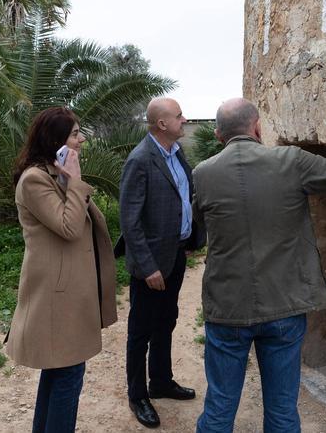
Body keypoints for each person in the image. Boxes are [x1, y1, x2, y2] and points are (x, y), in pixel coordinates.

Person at [193, 99, 326, 433]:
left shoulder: (203, 173)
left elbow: (200, 223)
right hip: (284, 306)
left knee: (219, 407)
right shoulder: (291, 160)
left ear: (218, 135)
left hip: (227, 307)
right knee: (283, 410)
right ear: (257, 127)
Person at [4, 107, 117, 433]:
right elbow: (68, 227)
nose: (81, 140)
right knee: (67, 376)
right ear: (56, 140)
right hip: (57, 297)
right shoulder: (35, 179)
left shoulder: (53, 174)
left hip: (69, 292)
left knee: (59, 372)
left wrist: (69, 179)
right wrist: (76, 180)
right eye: (75, 133)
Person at [116, 97, 203, 428]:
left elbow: (184, 197)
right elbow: (130, 220)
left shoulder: (176, 152)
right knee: (141, 330)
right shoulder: (140, 160)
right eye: (179, 116)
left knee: (167, 319)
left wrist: (190, 238)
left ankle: (162, 382)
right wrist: (148, 266)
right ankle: (138, 394)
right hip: (151, 263)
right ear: (162, 124)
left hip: (176, 254)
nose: (185, 119)